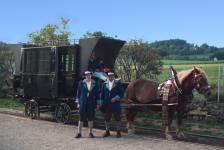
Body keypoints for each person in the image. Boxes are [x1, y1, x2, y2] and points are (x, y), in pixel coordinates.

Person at [75, 71, 103, 138]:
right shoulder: (81, 83)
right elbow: (78, 93)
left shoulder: (95, 83)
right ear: (85, 76)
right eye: (87, 75)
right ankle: (79, 133)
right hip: (82, 102)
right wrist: (78, 103)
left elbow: (97, 94)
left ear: (91, 76)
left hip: (91, 103)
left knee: (90, 118)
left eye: (89, 75)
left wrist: (98, 103)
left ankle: (90, 132)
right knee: (81, 117)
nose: (88, 76)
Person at [99, 71, 124, 138]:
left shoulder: (118, 83)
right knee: (107, 117)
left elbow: (122, 93)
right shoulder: (104, 84)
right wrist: (101, 102)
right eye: (109, 76)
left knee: (117, 117)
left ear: (114, 77)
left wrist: (116, 98)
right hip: (107, 102)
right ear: (108, 77)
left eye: (112, 76)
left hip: (115, 102)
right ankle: (107, 131)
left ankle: (118, 132)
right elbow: (102, 95)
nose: (110, 77)